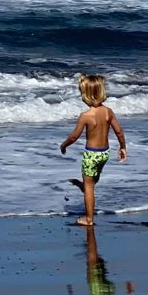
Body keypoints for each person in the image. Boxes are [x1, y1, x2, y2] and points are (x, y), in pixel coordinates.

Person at [60, 74, 126, 226]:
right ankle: (84, 186)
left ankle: (88, 219)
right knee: (93, 179)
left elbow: (74, 137)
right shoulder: (108, 111)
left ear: (87, 95)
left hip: (91, 154)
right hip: (104, 153)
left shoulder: (86, 116)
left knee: (89, 187)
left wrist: (64, 145)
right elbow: (119, 131)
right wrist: (123, 147)